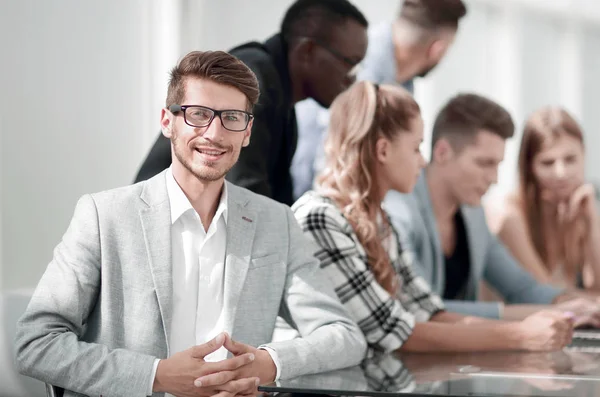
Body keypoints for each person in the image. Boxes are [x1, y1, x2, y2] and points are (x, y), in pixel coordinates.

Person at [14, 51, 366, 397]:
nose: (214, 133)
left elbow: (342, 335)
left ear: (247, 131)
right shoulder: (103, 215)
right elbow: (36, 343)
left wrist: (266, 363)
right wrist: (158, 376)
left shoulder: (277, 222)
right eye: (198, 114)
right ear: (168, 121)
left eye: (231, 117)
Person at [293, 81, 574, 354]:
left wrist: (537, 322)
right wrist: (520, 335)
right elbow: (395, 330)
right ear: (383, 150)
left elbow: (428, 312)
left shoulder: (379, 222)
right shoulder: (322, 218)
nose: (422, 160)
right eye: (416, 148)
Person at [384, 93, 600, 322]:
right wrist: (552, 314)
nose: (494, 178)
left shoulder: (473, 215)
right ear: (442, 152)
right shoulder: (400, 212)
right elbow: (420, 308)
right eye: (484, 163)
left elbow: (521, 288)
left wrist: (577, 305)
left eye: (497, 165)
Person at [134, 0, 369, 206]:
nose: (352, 78)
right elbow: (245, 196)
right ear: (307, 51)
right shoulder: (255, 80)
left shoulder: (282, 102)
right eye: (350, 62)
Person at [291, 0, 467, 200]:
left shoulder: (404, 84)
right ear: (437, 49)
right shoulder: (363, 68)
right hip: (305, 200)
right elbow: (331, 157)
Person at [486, 107, 600, 290]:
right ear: (529, 167)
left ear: (584, 156)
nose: (561, 173)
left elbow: (596, 288)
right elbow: (546, 295)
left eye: (570, 159)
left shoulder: (578, 209)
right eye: (547, 163)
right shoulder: (510, 215)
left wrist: (591, 222)